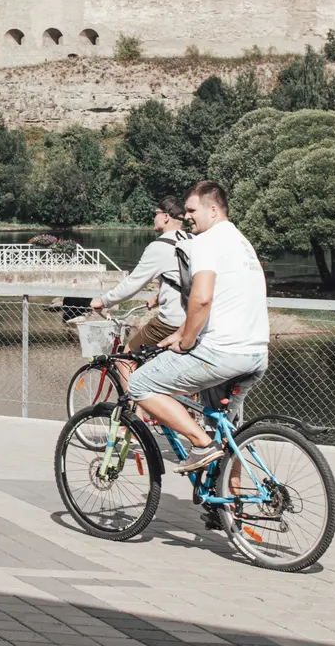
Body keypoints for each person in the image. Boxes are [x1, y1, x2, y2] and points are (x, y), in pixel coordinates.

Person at [125, 180, 269, 474]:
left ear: (213, 210)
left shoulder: (205, 241)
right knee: (226, 432)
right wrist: (180, 332)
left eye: (192, 210)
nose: (187, 216)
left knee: (140, 383)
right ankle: (231, 510)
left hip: (222, 353)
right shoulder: (241, 242)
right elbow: (222, 301)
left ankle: (200, 445)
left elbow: (201, 299)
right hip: (256, 353)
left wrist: (186, 341)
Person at [90, 196, 188, 388]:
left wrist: (104, 301)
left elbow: (133, 284)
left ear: (166, 217)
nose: (154, 218)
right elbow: (185, 279)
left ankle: (135, 414)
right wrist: (159, 297)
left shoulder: (159, 247)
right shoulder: (192, 240)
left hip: (173, 320)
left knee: (125, 359)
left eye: (156, 214)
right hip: (195, 320)